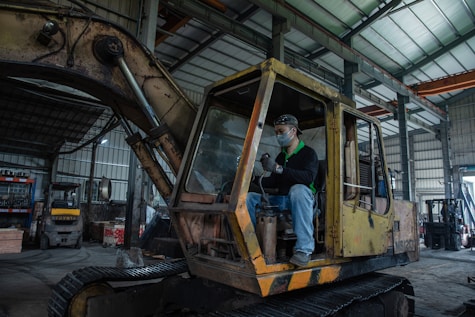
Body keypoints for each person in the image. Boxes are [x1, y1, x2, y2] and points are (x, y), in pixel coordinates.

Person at [246, 114, 318, 266]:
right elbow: (274, 181)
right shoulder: (281, 156)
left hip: (301, 201)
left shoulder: (308, 153)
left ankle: (304, 250)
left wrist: (278, 169)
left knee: (298, 190)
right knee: (250, 198)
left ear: (293, 131)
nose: (278, 135)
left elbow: (308, 177)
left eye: (281, 131)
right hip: (281, 201)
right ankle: (252, 245)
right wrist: (252, 179)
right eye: (276, 132)